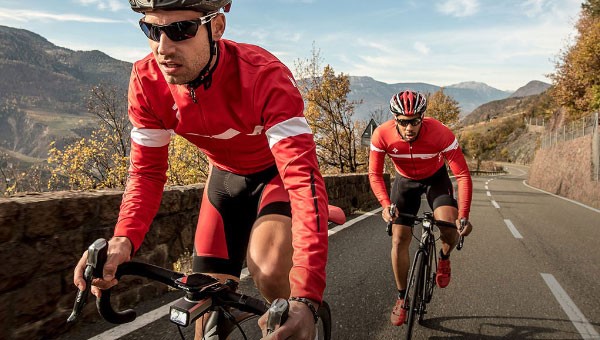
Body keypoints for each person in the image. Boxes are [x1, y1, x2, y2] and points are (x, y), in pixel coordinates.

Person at [73, 1, 329, 339]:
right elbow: (147, 172)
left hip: (274, 177)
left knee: (268, 272)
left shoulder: (264, 75)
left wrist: (307, 297)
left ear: (217, 28)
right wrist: (124, 239)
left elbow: (302, 181)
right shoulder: (147, 81)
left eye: (181, 30)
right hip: (224, 182)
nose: (163, 47)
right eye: (152, 30)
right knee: (202, 306)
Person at [368, 90, 473, 326]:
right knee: (399, 239)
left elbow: (463, 175)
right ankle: (402, 297)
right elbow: (374, 173)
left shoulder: (440, 133)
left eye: (415, 121)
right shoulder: (381, 134)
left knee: (448, 226)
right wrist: (385, 205)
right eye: (403, 122)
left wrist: (463, 215)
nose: (409, 128)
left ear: (422, 117)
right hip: (404, 182)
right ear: (395, 118)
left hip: (436, 180)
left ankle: (444, 258)